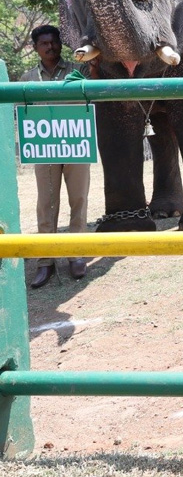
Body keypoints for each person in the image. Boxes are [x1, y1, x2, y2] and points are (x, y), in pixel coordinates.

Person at [20, 25, 90, 288]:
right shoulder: (28, 78)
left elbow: (92, 94)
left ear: (61, 43)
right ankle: (45, 261)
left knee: (79, 199)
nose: (50, 47)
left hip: (75, 144)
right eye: (44, 44)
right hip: (44, 148)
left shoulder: (78, 70)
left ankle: (76, 255)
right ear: (35, 48)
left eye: (54, 42)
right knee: (46, 203)